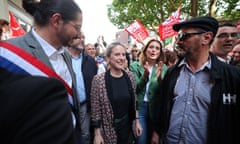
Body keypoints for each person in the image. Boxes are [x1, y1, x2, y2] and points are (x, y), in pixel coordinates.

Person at [153, 16, 240, 144]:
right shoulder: (172, 72)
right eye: (178, 37)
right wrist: (157, 131)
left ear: (206, 38)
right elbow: (163, 106)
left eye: (184, 36)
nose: (178, 42)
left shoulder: (232, 76)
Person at [6, 0, 83, 142]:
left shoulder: (66, 54)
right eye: (77, 27)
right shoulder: (10, 54)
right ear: (57, 21)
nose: (79, 34)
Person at [91, 42, 142, 144]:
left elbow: (134, 100)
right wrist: (97, 134)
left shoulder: (130, 76)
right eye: (117, 54)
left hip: (127, 129)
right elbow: (95, 108)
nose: (121, 58)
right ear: (108, 58)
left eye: (123, 54)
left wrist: (137, 121)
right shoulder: (98, 80)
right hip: (108, 131)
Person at [129, 39, 168, 144]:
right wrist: (145, 76)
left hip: (155, 110)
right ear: (145, 50)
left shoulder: (163, 67)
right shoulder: (135, 66)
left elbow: (165, 92)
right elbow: (135, 89)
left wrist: (160, 80)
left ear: (160, 52)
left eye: (157, 48)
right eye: (151, 47)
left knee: (154, 140)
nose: (153, 50)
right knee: (141, 140)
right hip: (140, 108)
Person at [68, 32, 98, 144]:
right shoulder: (61, 57)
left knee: (85, 135)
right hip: (68, 105)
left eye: (83, 37)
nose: (81, 40)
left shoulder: (90, 60)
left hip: (85, 105)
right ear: (69, 40)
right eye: (77, 37)